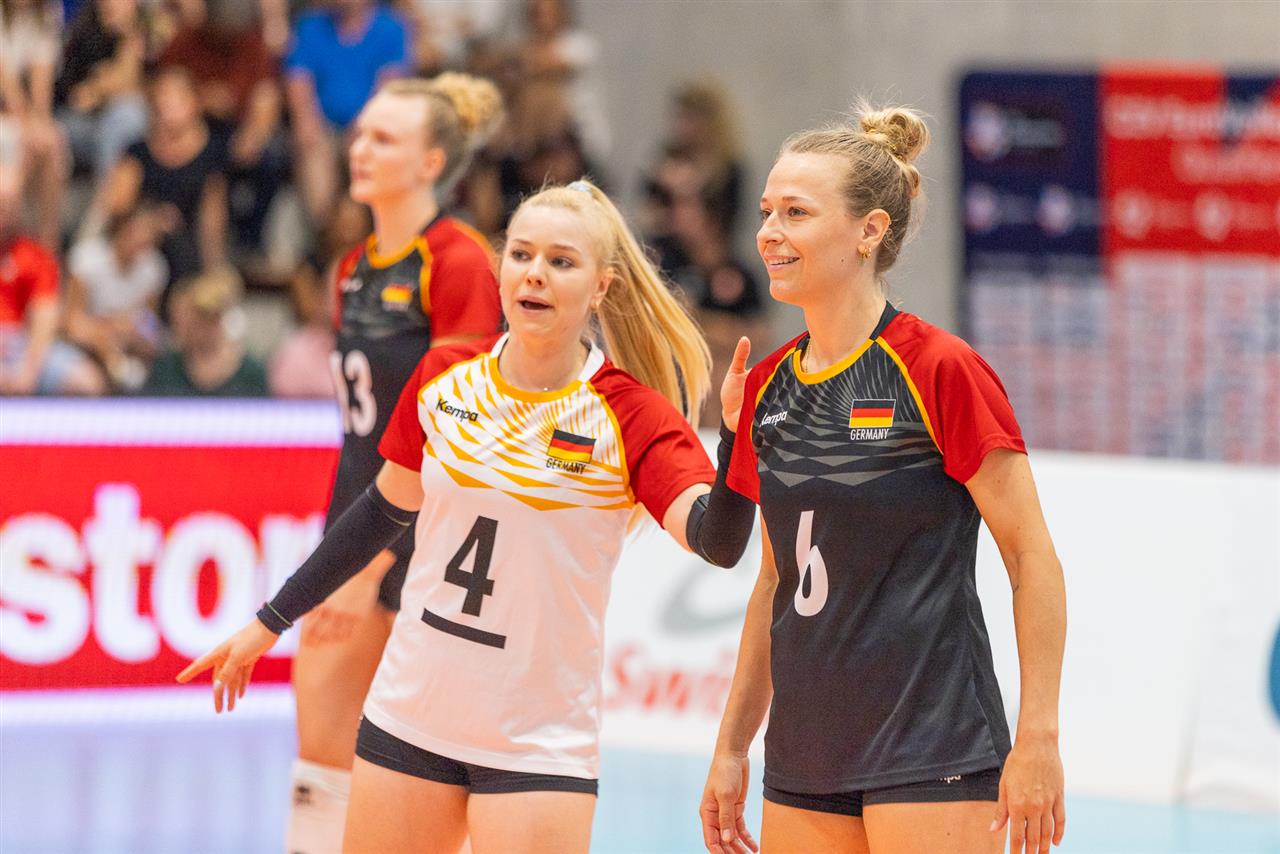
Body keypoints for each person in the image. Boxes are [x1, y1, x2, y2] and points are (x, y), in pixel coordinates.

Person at [177, 178, 742, 854]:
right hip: (409, 719)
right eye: (521, 254)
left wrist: (738, 443)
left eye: (561, 261)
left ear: (601, 287)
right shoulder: (445, 376)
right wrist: (270, 620)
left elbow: (718, 541)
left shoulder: (631, 415)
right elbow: (379, 511)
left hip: (537, 746)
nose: (534, 273)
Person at [698, 104, 1067, 854]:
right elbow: (773, 583)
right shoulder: (767, 386)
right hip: (806, 754)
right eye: (767, 211)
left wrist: (1038, 736)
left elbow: (1031, 559)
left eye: (796, 213)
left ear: (868, 231)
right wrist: (733, 745)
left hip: (935, 746)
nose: (769, 232)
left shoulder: (939, 368)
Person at [284, 72, 506, 854]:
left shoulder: (459, 261)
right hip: (355, 521)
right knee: (321, 756)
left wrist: (373, 560)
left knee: (434, 779)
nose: (361, 148)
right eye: (361, 134)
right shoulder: (353, 267)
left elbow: (460, 435)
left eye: (384, 138)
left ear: (431, 162)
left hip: (431, 544)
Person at [140, 266, 268, 397]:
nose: (180, 328)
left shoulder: (251, 374)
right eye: (176, 320)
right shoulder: (165, 368)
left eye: (190, 322)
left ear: (214, 319)